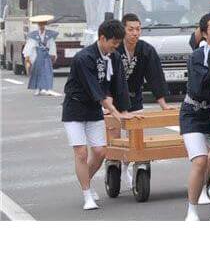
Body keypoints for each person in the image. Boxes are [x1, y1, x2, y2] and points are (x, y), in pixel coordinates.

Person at [61, 19, 138, 211]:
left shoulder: (113, 56)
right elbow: (95, 89)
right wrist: (114, 113)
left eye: (118, 43)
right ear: (102, 38)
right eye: (113, 42)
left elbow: (119, 85)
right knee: (81, 153)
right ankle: (87, 194)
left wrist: (124, 111)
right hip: (75, 109)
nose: (116, 46)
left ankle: (84, 181)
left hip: (93, 109)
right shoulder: (83, 58)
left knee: (101, 152)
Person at [112, 12, 173, 188]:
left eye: (138, 29)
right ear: (123, 30)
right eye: (131, 29)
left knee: (135, 138)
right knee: (115, 139)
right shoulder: (114, 49)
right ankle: (117, 169)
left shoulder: (146, 50)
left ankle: (127, 169)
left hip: (134, 100)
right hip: (113, 102)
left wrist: (163, 105)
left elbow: (155, 77)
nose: (135, 33)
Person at [181, 12, 210, 221]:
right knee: (200, 160)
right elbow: (201, 87)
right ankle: (192, 208)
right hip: (194, 113)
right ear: (204, 34)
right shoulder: (198, 56)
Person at [24, 14, 57, 96]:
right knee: (37, 71)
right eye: (40, 24)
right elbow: (29, 46)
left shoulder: (49, 34)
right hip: (37, 55)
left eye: (43, 24)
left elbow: (52, 45)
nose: (41, 25)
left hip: (46, 55)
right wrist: (27, 56)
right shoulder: (33, 35)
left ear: (45, 24)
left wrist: (53, 54)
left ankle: (47, 88)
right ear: (38, 25)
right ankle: (38, 88)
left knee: (47, 71)